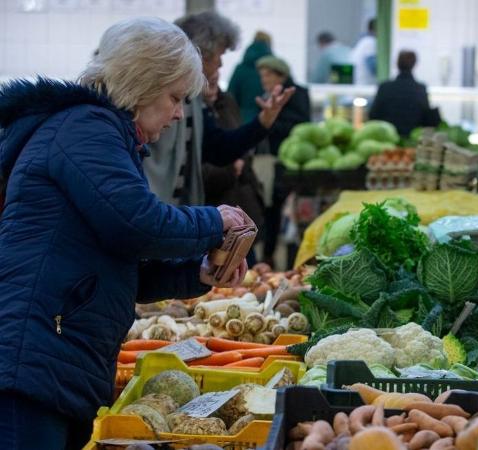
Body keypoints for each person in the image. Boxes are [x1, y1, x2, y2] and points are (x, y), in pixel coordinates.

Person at [0, 18, 249, 449]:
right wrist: (215, 221)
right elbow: (137, 223)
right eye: (174, 98)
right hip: (34, 358)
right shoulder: (85, 129)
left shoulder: (101, 136)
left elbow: (121, 262)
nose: (177, 113)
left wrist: (199, 273)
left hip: (59, 357)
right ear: (141, 82)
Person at [144, 11, 294, 206]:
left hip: (172, 212)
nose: (221, 63)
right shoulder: (158, 94)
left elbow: (217, 147)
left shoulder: (195, 100)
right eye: (219, 55)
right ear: (200, 54)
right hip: (152, 209)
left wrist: (263, 122)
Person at [255, 55, 311, 267]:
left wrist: (271, 122)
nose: (264, 80)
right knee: (271, 207)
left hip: (291, 162)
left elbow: (301, 124)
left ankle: (290, 258)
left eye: (267, 75)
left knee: (283, 208)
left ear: (281, 75)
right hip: (273, 160)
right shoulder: (268, 95)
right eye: (262, 76)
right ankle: (269, 253)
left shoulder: (297, 93)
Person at [201, 82, 266, 266]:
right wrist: (231, 170)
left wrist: (263, 122)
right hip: (211, 215)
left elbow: (234, 145)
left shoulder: (227, 101)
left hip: (241, 210)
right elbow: (215, 154)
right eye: (208, 79)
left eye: (215, 80)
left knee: (244, 273)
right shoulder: (193, 108)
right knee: (215, 273)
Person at [369, 50, 441, 137]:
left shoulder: (385, 87)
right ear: (414, 64)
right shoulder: (420, 89)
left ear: (397, 63)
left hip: (387, 140)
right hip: (412, 142)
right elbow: (426, 119)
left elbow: (373, 115)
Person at [228, 30, 274, 123]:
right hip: (267, 120)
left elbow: (230, 96)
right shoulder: (274, 69)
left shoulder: (240, 68)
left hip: (241, 119)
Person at [351, 18, 377, 85]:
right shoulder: (370, 42)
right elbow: (374, 68)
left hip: (360, 86)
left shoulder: (363, 42)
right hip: (364, 87)